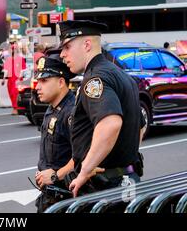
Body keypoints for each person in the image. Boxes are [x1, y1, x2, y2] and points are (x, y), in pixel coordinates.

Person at [58, 20, 144, 197]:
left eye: (67, 47)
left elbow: (110, 123)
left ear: (87, 45)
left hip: (104, 187)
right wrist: (123, 156)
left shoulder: (95, 79)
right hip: (126, 179)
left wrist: (85, 171)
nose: (62, 54)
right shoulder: (121, 74)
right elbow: (140, 126)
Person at [34, 54, 76, 213]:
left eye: (44, 81)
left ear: (60, 82)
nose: (38, 86)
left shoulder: (72, 112)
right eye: (38, 81)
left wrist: (55, 175)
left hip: (65, 199)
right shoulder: (52, 107)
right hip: (50, 196)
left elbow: (83, 156)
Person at [1, 43, 26, 115]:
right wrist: (3, 79)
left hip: (18, 79)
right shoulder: (8, 60)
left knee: (17, 94)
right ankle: (15, 107)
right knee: (11, 94)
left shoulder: (21, 59)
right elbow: (6, 70)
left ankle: (17, 108)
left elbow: (22, 70)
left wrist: (19, 78)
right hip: (11, 80)